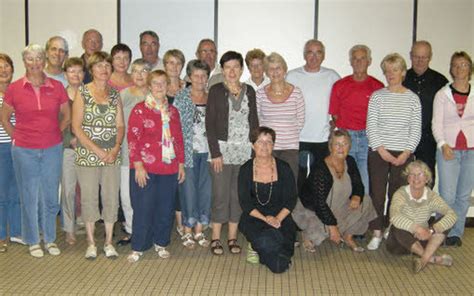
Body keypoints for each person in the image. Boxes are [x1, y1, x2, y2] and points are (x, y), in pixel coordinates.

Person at [2, 44, 70, 258]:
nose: (35, 63)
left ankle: (49, 238)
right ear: (24, 62)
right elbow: (4, 118)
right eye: (30, 59)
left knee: (50, 196)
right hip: (24, 150)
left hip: (52, 148)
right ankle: (32, 240)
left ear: (44, 60)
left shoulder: (57, 87)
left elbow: (66, 116)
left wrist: (54, 133)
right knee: (29, 196)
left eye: (38, 58)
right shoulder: (14, 88)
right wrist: (17, 136)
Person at [126, 70, 185, 262]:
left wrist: (181, 164)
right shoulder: (140, 109)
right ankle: (139, 246)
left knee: (165, 208)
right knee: (143, 207)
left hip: (169, 168)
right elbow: (133, 139)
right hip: (145, 169)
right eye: (156, 83)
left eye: (163, 83)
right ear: (149, 86)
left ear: (168, 86)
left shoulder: (173, 112)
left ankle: (161, 243)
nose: (160, 87)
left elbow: (178, 140)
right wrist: (138, 165)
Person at [72, 51, 124, 260]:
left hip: (111, 155)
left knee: (111, 197)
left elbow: (120, 125)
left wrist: (115, 147)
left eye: (107, 66)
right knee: (89, 198)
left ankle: (109, 242)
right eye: (99, 66)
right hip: (88, 155)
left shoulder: (114, 94)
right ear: (91, 70)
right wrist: (98, 151)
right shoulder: (82, 93)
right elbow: (76, 127)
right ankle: (92, 243)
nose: (104, 69)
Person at [366, 53, 421, 250]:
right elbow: (371, 126)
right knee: (377, 194)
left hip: (404, 154)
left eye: (395, 70)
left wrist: (406, 153)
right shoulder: (377, 97)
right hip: (379, 152)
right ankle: (377, 231)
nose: (391, 74)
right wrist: (382, 150)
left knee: (398, 194)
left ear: (403, 72)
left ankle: (391, 227)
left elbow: (415, 129)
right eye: (387, 71)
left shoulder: (413, 99)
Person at [206, 51, 259, 255]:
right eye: (227, 67)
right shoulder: (216, 90)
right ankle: (216, 238)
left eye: (236, 66)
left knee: (237, 196)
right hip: (222, 152)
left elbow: (254, 122)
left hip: (245, 152)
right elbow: (209, 124)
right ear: (222, 69)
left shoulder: (250, 91)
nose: (232, 71)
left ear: (241, 69)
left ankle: (232, 237)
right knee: (220, 195)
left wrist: (255, 152)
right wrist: (215, 153)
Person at [294, 129, 376, 252]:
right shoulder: (321, 168)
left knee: (366, 201)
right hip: (313, 211)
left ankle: (348, 235)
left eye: (345, 144)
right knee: (319, 234)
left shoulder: (350, 161)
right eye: (337, 144)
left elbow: (358, 185)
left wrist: (356, 196)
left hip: (337, 207)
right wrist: (332, 227)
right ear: (330, 146)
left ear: (350, 146)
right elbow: (319, 203)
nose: (341, 148)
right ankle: (308, 235)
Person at [238, 127, 297, 273]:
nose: (264, 146)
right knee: (273, 251)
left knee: (278, 262)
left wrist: (277, 219)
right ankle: (264, 245)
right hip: (255, 217)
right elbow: (245, 203)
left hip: (280, 217)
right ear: (253, 145)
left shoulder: (284, 167)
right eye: (260, 142)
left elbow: (291, 199)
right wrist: (266, 219)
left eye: (268, 142)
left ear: (273, 145)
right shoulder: (245, 169)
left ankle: (260, 247)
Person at [432, 51, 474, 247]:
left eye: (464, 65)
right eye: (456, 65)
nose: (460, 69)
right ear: (451, 69)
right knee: (447, 195)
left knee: (463, 195)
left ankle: (455, 234)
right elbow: (436, 123)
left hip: (471, 151)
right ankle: (443, 231)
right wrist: (442, 144)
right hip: (448, 149)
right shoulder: (442, 94)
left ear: (470, 68)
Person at [329, 45, 384, 193]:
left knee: (364, 180)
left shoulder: (378, 87)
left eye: (362, 59)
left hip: (368, 138)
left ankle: (361, 215)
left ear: (369, 61)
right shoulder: (340, 85)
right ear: (351, 62)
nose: (359, 62)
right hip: (346, 138)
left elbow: (380, 117)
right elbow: (334, 114)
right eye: (355, 59)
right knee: (343, 179)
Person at [386, 160, 457, 273]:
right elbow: (394, 216)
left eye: (420, 174)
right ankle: (432, 258)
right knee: (397, 225)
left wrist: (431, 230)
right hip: (399, 243)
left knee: (445, 222)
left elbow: (452, 215)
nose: (416, 178)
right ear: (408, 178)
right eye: (412, 174)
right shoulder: (401, 193)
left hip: (423, 239)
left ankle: (423, 259)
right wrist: (417, 228)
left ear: (427, 179)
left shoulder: (431, 196)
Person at [286, 39, 340, 174]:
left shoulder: (332, 76)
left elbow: (342, 103)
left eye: (318, 53)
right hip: (298, 138)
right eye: (310, 52)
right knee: (299, 178)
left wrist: (337, 122)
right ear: (304, 55)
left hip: (322, 138)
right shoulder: (292, 76)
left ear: (324, 56)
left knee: (320, 179)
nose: (314, 57)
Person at [174, 59, 212, 249]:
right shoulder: (181, 97)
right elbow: (175, 129)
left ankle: (199, 230)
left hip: (208, 152)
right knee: (188, 191)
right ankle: (187, 232)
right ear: (189, 77)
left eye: (203, 75)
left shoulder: (211, 97)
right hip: (187, 153)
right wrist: (178, 157)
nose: (200, 79)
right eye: (196, 75)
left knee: (205, 191)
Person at [116, 59, 151, 247]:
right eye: (135, 70)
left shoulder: (155, 95)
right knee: (128, 196)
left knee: (147, 196)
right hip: (127, 153)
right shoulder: (123, 95)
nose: (139, 74)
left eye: (144, 70)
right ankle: (131, 230)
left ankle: (147, 230)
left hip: (152, 156)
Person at [403, 41, 448, 183]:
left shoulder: (440, 81)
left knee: (427, 179)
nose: (420, 60)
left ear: (430, 57)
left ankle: (426, 206)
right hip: (404, 137)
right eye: (416, 56)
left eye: (424, 57)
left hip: (429, 139)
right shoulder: (402, 79)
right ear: (410, 56)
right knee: (403, 179)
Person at [256, 52, 305, 179]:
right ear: (266, 72)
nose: (275, 72)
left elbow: (300, 121)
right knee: (267, 182)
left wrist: (286, 135)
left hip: (290, 148)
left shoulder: (296, 93)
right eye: (271, 69)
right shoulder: (260, 93)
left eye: (278, 68)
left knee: (289, 184)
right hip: (266, 148)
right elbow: (257, 120)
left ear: (284, 70)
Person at [0, 53, 23, 252]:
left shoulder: (17, 91)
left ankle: (16, 232)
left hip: (19, 147)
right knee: (1, 193)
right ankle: (0, 236)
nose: (3, 70)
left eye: (6, 66)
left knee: (17, 192)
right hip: (1, 148)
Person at [61, 57, 85, 245]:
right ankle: (69, 228)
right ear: (65, 74)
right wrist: (71, 139)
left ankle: (86, 223)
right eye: (71, 71)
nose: (75, 74)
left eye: (79, 71)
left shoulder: (90, 94)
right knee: (68, 190)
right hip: (67, 149)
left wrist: (82, 139)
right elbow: (56, 124)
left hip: (88, 149)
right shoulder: (59, 95)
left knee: (87, 189)